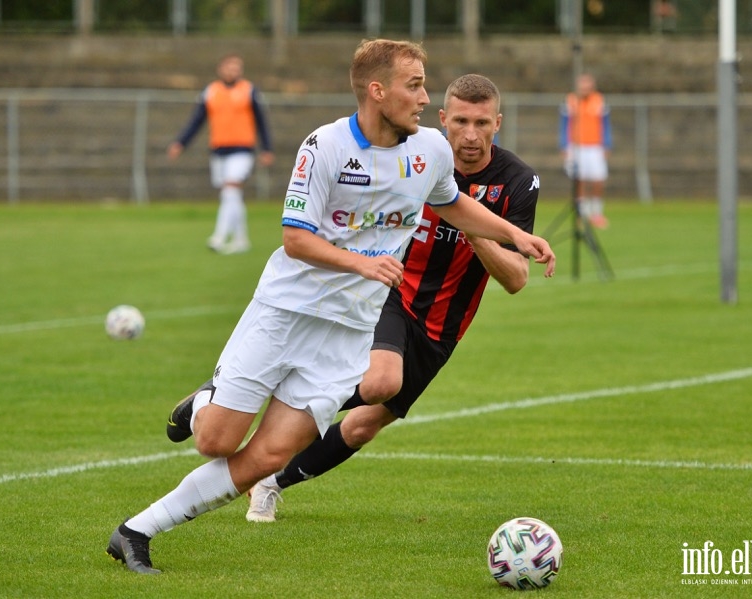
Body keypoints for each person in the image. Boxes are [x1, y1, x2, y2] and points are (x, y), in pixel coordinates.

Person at [106, 39, 556, 575]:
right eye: (414, 86)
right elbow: (295, 239)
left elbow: (452, 202)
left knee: (270, 456)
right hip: (288, 312)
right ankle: (206, 400)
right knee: (215, 441)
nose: (423, 96)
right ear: (377, 90)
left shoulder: (430, 150)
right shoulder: (325, 146)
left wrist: (515, 236)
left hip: (348, 332)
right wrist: (364, 264)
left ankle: (137, 532)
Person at [242, 73, 542, 523]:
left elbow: (516, 277)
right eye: (460, 121)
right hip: (388, 291)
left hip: (444, 325)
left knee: (364, 424)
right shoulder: (415, 156)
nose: (470, 134)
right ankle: (243, 394)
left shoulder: (517, 180)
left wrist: (473, 227)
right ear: (443, 120)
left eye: (482, 123)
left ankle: (270, 481)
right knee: (383, 379)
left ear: (497, 123)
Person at [168, 53, 275, 254]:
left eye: (237, 68)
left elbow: (262, 122)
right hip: (218, 150)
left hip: (242, 150)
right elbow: (196, 121)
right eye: (229, 67)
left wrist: (267, 148)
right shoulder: (210, 91)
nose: (233, 71)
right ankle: (241, 239)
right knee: (231, 195)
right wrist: (180, 143)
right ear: (221, 69)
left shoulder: (249, 91)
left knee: (230, 189)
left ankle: (219, 236)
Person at [559, 73, 611, 229]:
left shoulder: (599, 101)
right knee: (579, 179)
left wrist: (607, 145)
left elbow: (606, 125)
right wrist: (564, 145)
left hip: (595, 146)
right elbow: (564, 125)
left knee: (598, 179)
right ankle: (581, 214)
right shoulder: (570, 101)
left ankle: (596, 213)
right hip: (576, 146)